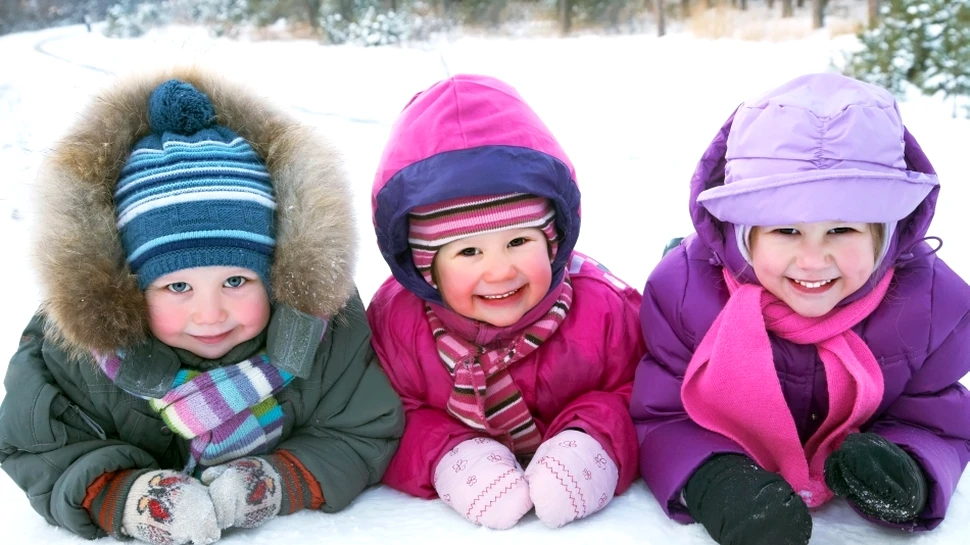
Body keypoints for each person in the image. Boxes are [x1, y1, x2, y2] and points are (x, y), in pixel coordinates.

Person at [0, 69, 404, 545]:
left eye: (236, 281)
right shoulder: (77, 354)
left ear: (276, 277)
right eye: (176, 287)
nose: (210, 314)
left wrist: (277, 481)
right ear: (128, 290)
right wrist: (121, 494)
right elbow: (37, 444)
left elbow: (360, 430)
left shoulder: (324, 333)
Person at [631, 72, 970, 545]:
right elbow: (663, 414)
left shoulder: (932, 305)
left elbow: (936, 415)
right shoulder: (684, 294)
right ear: (742, 233)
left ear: (887, 232)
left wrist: (908, 467)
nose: (813, 260)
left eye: (843, 231)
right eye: (786, 231)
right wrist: (716, 481)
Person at [366, 74, 645, 530]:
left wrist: (593, 437)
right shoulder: (398, 323)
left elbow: (640, 391)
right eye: (469, 252)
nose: (499, 271)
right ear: (424, 268)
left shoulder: (602, 310)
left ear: (554, 242)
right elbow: (386, 414)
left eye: (518, 241)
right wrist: (449, 454)